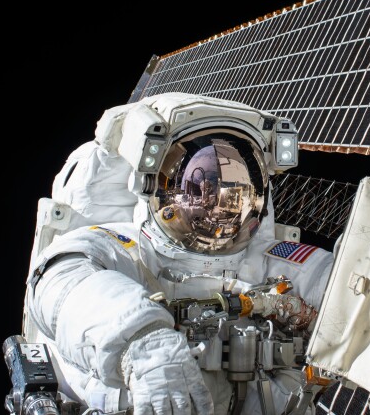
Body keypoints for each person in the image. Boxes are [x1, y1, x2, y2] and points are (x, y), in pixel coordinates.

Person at [21, 92, 335, 415]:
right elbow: (59, 278)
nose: (215, 206)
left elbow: (336, 284)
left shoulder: (262, 257)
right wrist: (141, 339)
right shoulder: (127, 245)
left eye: (234, 188)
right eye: (200, 187)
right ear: (155, 185)